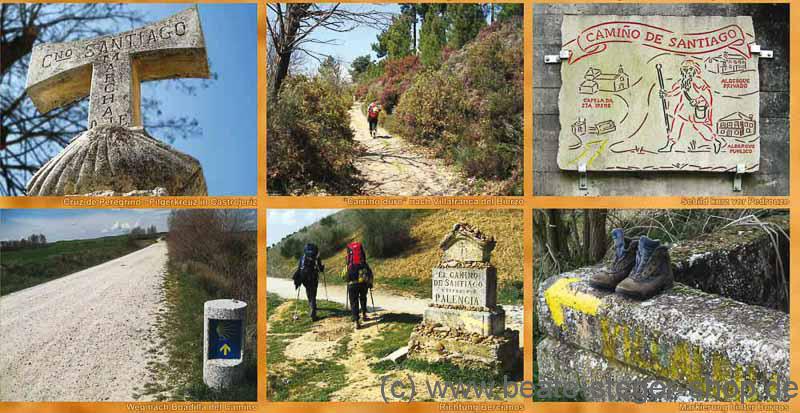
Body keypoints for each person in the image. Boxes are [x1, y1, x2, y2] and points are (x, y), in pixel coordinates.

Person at [658, 59, 725, 154]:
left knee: (701, 127)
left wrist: (697, 101)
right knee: (676, 123)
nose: (687, 71)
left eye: (689, 69)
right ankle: (670, 145)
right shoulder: (682, 81)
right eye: (685, 69)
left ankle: (715, 141)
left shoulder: (698, 81)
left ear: (693, 70)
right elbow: (675, 91)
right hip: (683, 109)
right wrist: (666, 94)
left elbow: (706, 95)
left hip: (694, 110)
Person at [342, 241, 373, 329]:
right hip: (363, 282)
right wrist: (370, 283)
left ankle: (356, 321)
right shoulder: (363, 263)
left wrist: (347, 281)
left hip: (352, 284)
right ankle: (364, 314)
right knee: (363, 297)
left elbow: (344, 275)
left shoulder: (348, 263)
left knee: (354, 302)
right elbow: (369, 273)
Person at [292, 243, 324, 321]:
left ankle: (312, 305)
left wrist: (298, 278)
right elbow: (320, 268)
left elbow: (299, 267)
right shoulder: (316, 256)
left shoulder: (303, 257)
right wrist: (322, 268)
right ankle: (313, 311)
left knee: (309, 290)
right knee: (313, 292)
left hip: (303, 276)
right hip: (313, 276)